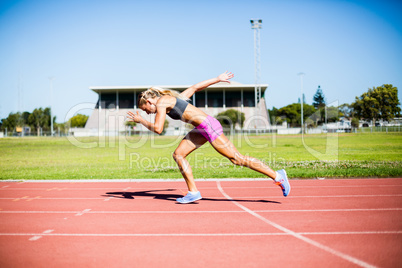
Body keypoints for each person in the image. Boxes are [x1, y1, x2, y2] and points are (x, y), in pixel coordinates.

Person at [126, 71, 290, 204]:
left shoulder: (162, 102)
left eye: (146, 109)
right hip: (201, 128)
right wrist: (217, 79)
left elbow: (158, 129)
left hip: (208, 126)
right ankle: (193, 192)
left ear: (148, 101)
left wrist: (141, 121)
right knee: (178, 154)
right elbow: (196, 87)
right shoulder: (172, 100)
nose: (147, 112)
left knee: (237, 159)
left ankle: (278, 176)